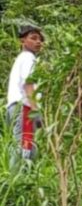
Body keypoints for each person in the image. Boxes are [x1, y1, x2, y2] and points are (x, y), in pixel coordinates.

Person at [5, 24, 44, 167]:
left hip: (16, 107)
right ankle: (18, 177)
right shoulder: (28, 57)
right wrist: (35, 111)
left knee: (23, 145)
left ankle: (20, 176)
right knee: (24, 148)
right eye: (33, 38)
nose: (38, 42)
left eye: (40, 39)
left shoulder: (22, 58)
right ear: (22, 41)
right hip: (24, 107)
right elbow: (28, 84)